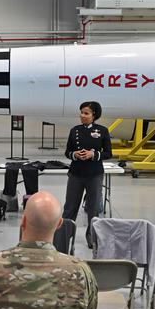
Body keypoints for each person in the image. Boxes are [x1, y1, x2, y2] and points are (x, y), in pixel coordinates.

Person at [62, 101, 112, 248]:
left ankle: (92, 236)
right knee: (70, 207)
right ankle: (65, 235)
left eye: (86, 113)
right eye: (81, 112)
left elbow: (108, 153)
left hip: (94, 174)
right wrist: (75, 154)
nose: (82, 115)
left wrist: (93, 154)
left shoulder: (102, 131)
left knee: (93, 208)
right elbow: (67, 152)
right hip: (76, 174)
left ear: (94, 115)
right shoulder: (74, 130)